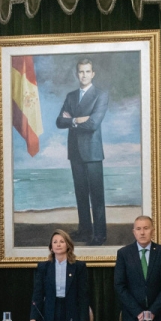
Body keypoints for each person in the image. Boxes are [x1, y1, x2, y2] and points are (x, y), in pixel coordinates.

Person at [56, 58, 109, 245]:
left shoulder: (100, 95)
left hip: (93, 153)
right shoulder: (71, 96)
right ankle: (85, 231)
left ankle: (100, 234)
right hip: (75, 152)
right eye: (81, 71)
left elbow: (94, 124)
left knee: (96, 195)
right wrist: (77, 120)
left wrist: (71, 120)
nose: (84, 75)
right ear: (77, 74)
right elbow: (59, 122)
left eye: (87, 71)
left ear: (92, 74)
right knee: (80, 194)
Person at [23, 230, 94, 321]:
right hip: (50, 312)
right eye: (55, 242)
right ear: (51, 247)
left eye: (62, 241)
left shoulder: (78, 267)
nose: (58, 244)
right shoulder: (43, 267)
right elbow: (37, 295)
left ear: (68, 245)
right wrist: (33, 319)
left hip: (71, 311)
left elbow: (83, 296)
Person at [113, 215, 161, 321]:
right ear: (134, 232)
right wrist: (138, 313)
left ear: (152, 231)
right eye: (138, 229)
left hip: (159, 318)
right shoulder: (124, 253)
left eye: (146, 228)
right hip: (133, 318)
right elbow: (120, 286)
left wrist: (152, 312)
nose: (142, 232)